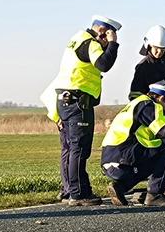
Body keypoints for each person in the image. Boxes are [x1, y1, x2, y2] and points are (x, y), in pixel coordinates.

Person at [40, 15, 121, 206]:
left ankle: (72, 190)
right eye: (109, 35)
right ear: (103, 31)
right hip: (78, 103)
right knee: (79, 149)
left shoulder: (76, 39)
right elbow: (104, 64)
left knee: (69, 149)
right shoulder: (90, 43)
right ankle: (78, 194)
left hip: (65, 102)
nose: (107, 42)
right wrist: (113, 45)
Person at [101, 84, 165, 207]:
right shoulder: (148, 105)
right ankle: (155, 195)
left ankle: (120, 187)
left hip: (113, 161)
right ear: (162, 98)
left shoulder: (136, 103)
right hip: (122, 157)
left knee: (154, 159)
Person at [128, 25, 165, 129]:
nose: (160, 52)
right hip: (156, 122)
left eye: (163, 49)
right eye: (157, 48)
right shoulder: (143, 67)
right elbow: (135, 97)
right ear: (149, 45)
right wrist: (150, 117)